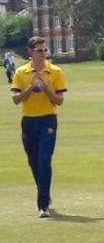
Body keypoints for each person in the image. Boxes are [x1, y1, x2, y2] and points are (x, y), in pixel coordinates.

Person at [10, 37, 67, 218]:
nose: (43, 54)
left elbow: (59, 100)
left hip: (48, 120)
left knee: (44, 160)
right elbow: (16, 99)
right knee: (34, 161)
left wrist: (46, 90)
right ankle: (44, 191)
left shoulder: (55, 71)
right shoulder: (21, 72)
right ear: (30, 52)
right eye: (39, 50)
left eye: (44, 50)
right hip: (29, 121)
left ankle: (42, 204)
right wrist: (30, 88)